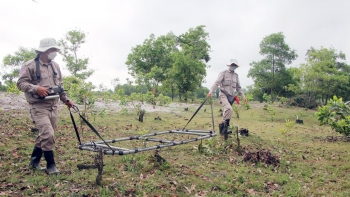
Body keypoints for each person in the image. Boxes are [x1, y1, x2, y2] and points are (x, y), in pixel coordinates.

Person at [17, 37, 74, 174]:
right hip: (38, 106)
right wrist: (36, 88)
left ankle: (34, 161)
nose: (55, 52)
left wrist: (66, 100)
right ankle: (51, 165)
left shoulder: (56, 66)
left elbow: (59, 86)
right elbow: (20, 83)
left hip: (53, 106)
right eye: (53, 50)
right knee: (48, 135)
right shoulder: (28, 65)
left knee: (46, 134)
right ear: (46, 50)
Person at [207, 58, 247, 139]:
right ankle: (226, 127)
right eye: (232, 65)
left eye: (234, 65)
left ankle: (223, 130)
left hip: (230, 97)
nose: (233, 66)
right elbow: (216, 83)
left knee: (227, 112)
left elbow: (238, 87)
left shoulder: (236, 76)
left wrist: (243, 97)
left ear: (236, 66)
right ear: (229, 65)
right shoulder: (223, 73)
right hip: (223, 95)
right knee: (229, 109)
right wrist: (211, 91)